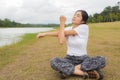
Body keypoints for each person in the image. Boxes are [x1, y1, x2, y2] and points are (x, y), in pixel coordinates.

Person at [37, 10, 106, 80]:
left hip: (83, 58)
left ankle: (69, 70)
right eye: (74, 15)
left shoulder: (84, 27)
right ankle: (83, 72)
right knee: (53, 61)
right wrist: (45, 34)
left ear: (82, 21)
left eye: (78, 16)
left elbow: (63, 33)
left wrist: (62, 22)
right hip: (69, 59)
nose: (74, 16)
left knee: (102, 59)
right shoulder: (68, 28)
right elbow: (61, 40)